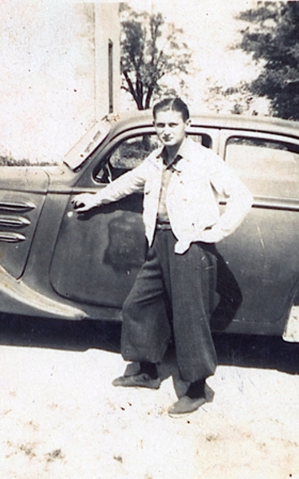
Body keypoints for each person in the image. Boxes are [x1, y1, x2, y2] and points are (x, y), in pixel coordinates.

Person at [72, 97, 253, 417]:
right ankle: (148, 372)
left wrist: (214, 233)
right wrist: (94, 199)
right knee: (139, 304)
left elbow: (241, 197)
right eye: (160, 125)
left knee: (188, 315)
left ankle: (197, 388)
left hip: (190, 246)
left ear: (187, 125)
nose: (166, 131)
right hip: (159, 243)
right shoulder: (155, 160)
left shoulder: (203, 159)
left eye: (173, 124)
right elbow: (127, 183)